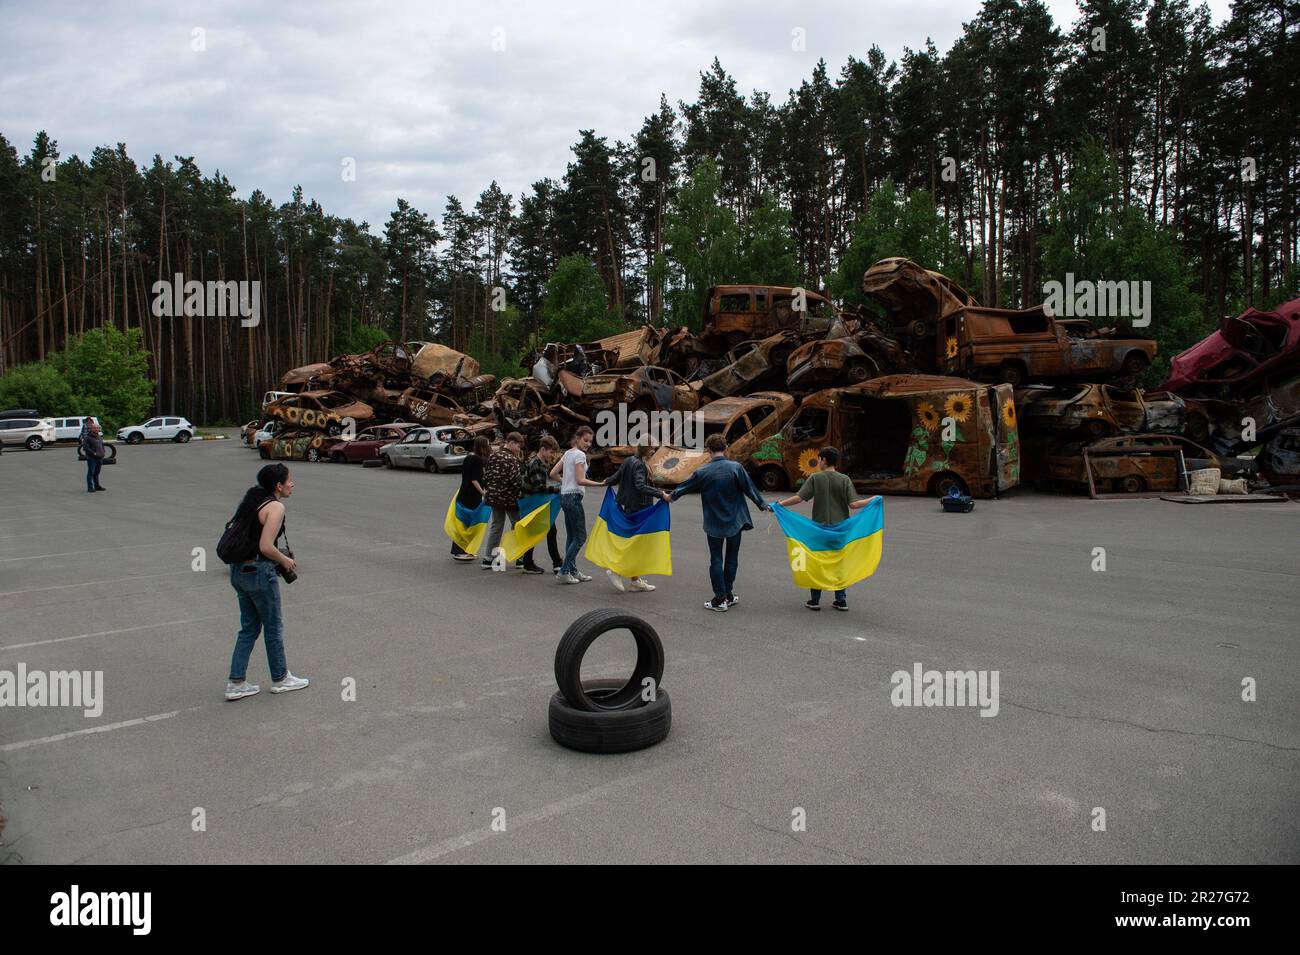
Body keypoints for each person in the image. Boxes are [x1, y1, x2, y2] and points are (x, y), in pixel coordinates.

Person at [226, 464, 309, 701]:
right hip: (259, 572)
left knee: (249, 628)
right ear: (278, 486)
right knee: (273, 627)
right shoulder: (275, 506)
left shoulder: (253, 500)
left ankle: (236, 682)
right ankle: (281, 678)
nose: (292, 484)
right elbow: (266, 546)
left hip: (239, 571)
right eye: (289, 481)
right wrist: (285, 560)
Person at [669, 433, 768, 612]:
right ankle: (728, 595)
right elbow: (750, 489)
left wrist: (670, 497)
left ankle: (719, 598)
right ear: (726, 447)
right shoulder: (736, 468)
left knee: (716, 559)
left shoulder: (702, 471)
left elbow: (683, 487)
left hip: (714, 522)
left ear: (708, 450)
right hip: (736, 521)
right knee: (732, 559)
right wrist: (763, 505)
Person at [774, 446, 873, 611]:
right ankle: (841, 600)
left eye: (819, 459)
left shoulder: (815, 478)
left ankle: (815, 600)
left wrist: (779, 505)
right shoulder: (844, 479)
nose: (818, 462)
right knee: (839, 562)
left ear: (824, 460)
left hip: (819, 529)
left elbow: (799, 498)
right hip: (840, 529)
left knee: (817, 562)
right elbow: (854, 504)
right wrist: (874, 499)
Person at [601, 442, 671, 592]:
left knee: (635, 542)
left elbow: (616, 477)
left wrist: (605, 482)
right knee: (634, 542)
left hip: (630, 506)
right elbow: (639, 485)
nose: (653, 451)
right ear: (645, 448)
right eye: (652, 448)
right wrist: (661, 494)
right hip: (639, 508)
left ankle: (635, 580)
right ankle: (616, 570)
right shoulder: (639, 464)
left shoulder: (629, 460)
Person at [550, 425, 604, 584]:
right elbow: (580, 480)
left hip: (565, 496)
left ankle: (572, 571)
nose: (588, 444)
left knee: (572, 536)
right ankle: (564, 571)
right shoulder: (579, 455)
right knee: (580, 537)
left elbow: (553, 473)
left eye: (590, 441)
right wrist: (600, 484)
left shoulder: (567, 453)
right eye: (585, 440)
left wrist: (565, 483)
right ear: (577, 438)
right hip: (573, 497)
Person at [483, 432, 542, 573]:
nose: (519, 449)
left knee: (496, 526)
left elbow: (485, 476)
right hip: (509, 499)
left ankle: (488, 558)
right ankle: (519, 557)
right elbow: (516, 481)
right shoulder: (511, 459)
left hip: (494, 498)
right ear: (511, 443)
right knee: (517, 526)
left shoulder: (493, 455)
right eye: (518, 446)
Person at [518, 434, 563, 574]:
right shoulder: (536, 464)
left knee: (542, 532)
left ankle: (534, 563)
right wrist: (557, 489)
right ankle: (554, 563)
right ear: (543, 449)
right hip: (533, 504)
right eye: (551, 452)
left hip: (533, 503)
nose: (552, 456)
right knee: (545, 531)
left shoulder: (538, 463)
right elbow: (539, 488)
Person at [450, 435, 490, 561]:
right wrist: (483, 493)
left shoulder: (469, 456)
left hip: (463, 493)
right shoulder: (477, 459)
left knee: (462, 522)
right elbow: (474, 479)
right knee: (468, 523)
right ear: (482, 447)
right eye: (487, 445)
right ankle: (462, 550)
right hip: (471, 496)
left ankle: (461, 550)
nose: (488, 447)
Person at [81, 419, 106, 493]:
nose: (96, 429)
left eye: (97, 428)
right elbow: (85, 448)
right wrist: (93, 453)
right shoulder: (88, 437)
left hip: (100, 457)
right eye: (95, 428)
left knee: (97, 473)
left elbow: (102, 445)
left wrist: (103, 452)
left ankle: (97, 486)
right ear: (92, 429)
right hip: (92, 458)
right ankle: (90, 487)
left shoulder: (99, 436)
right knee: (91, 472)